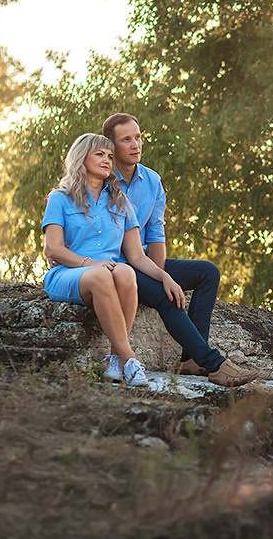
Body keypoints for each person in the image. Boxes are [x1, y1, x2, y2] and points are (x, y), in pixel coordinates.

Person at [101, 112, 259, 387]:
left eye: (138, 137)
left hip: (145, 261)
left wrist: (160, 273)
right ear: (111, 146)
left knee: (207, 272)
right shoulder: (102, 180)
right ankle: (214, 364)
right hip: (118, 266)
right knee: (166, 297)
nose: (135, 144)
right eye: (126, 139)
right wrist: (160, 282)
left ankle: (190, 360)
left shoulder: (152, 181)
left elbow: (156, 233)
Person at [42, 132, 186, 387]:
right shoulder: (60, 198)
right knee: (102, 274)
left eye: (110, 155)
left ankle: (114, 360)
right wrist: (90, 263)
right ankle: (130, 357)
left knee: (126, 272)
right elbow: (53, 249)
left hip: (109, 272)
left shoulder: (120, 201)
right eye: (99, 154)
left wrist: (165, 276)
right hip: (70, 273)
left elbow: (137, 256)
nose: (107, 160)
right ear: (81, 157)